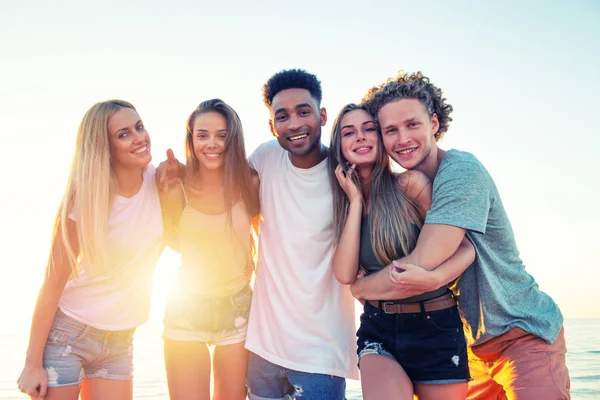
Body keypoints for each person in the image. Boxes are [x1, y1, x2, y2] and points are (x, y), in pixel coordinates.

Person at [354, 71, 570, 399]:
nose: (403, 139)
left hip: (522, 333)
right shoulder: (405, 190)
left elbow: (424, 262)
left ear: (435, 124)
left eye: (413, 125)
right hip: (469, 344)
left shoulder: (461, 172)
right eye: (391, 130)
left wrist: (358, 287)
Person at [17, 100, 164, 400]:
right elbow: (52, 283)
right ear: (104, 146)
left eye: (139, 127)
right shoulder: (84, 199)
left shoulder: (161, 180)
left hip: (121, 340)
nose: (138, 137)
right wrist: (32, 364)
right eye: (123, 134)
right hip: (69, 336)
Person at [329, 103, 475, 400]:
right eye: (349, 132)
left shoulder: (410, 185)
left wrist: (434, 279)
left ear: (382, 137)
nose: (360, 137)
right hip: (378, 329)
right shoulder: (345, 206)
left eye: (369, 129)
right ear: (339, 145)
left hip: (436, 324)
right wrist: (355, 202)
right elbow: (345, 274)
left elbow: (464, 248)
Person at [245, 69, 358, 400]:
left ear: (322, 115)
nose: (294, 124)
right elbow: (226, 193)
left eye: (303, 112)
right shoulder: (265, 157)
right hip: (262, 349)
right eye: (282, 116)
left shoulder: (346, 173)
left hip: (320, 357)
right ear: (271, 125)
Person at [160, 99, 259, 400]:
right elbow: (171, 240)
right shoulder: (176, 186)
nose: (212, 143)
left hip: (238, 312)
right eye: (202, 135)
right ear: (191, 139)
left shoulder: (249, 182)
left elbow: (260, 235)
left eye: (221, 135)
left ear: (234, 138)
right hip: (187, 310)